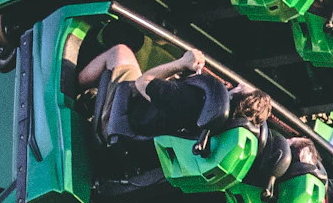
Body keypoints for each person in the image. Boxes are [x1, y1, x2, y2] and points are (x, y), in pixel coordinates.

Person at [78, 38, 225, 144]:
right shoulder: (212, 122)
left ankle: (70, 86)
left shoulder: (189, 101)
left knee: (119, 52)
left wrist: (182, 63)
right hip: (138, 132)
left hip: (118, 118)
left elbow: (143, 82)